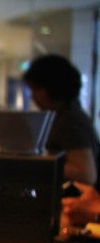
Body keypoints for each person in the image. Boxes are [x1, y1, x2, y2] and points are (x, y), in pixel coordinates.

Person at [23, 54, 100, 188]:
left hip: (79, 204)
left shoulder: (69, 120)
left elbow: (86, 174)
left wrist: (36, 164)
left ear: (52, 87)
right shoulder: (68, 116)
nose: (33, 96)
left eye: (37, 89)